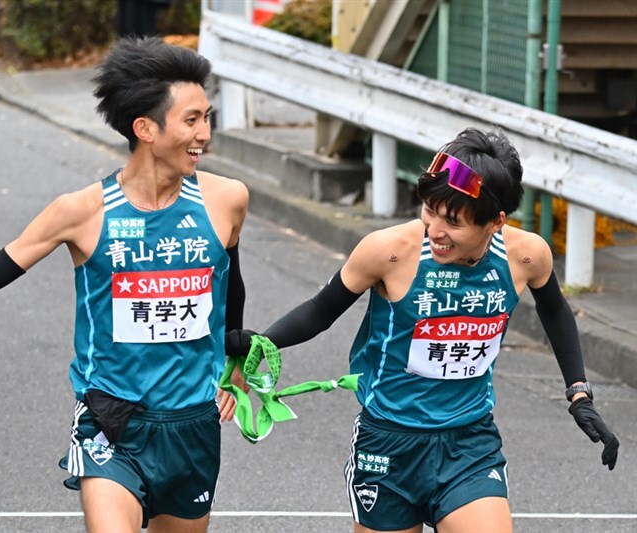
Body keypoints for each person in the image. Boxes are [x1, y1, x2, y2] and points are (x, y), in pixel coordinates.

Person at [227, 128, 619, 533]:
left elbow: (555, 311)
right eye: (429, 210)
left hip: (469, 442)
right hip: (388, 442)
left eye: (453, 222)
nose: (434, 230)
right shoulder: (389, 251)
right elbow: (320, 311)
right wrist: (258, 342)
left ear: (495, 223)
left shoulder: (525, 255)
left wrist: (579, 392)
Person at [0, 36, 249, 533]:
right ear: (145, 128)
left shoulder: (227, 200)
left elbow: (229, 285)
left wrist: (234, 360)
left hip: (193, 423)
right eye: (192, 120)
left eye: (207, 117)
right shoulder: (83, 211)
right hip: (111, 420)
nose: (205, 134)